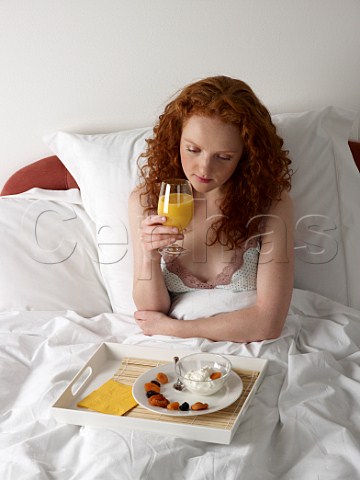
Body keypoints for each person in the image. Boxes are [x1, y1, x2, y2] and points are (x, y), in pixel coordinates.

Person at [128, 75, 294, 343]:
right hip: (168, 349)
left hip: (250, 345)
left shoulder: (272, 203)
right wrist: (149, 255)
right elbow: (150, 314)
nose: (204, 169)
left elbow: (268, 323)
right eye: (193, 150)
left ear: (246, 155)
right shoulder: (148, 200)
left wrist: (175, 329)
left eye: (224, 157)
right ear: (175, 140)